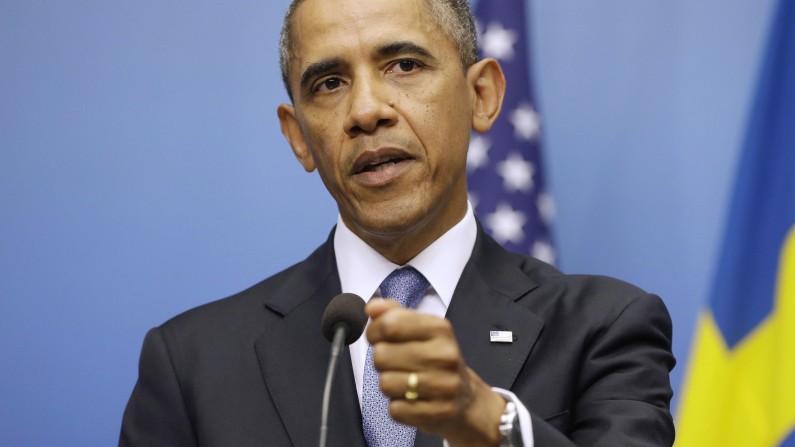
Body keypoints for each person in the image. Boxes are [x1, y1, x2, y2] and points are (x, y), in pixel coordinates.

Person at [120, 0, 675, 445]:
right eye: (329, 83)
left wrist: (490, 423)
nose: (366, 111)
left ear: (482, 95)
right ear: (298, 136)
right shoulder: (192, 362)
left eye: (404, 65)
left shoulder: (605, 328)